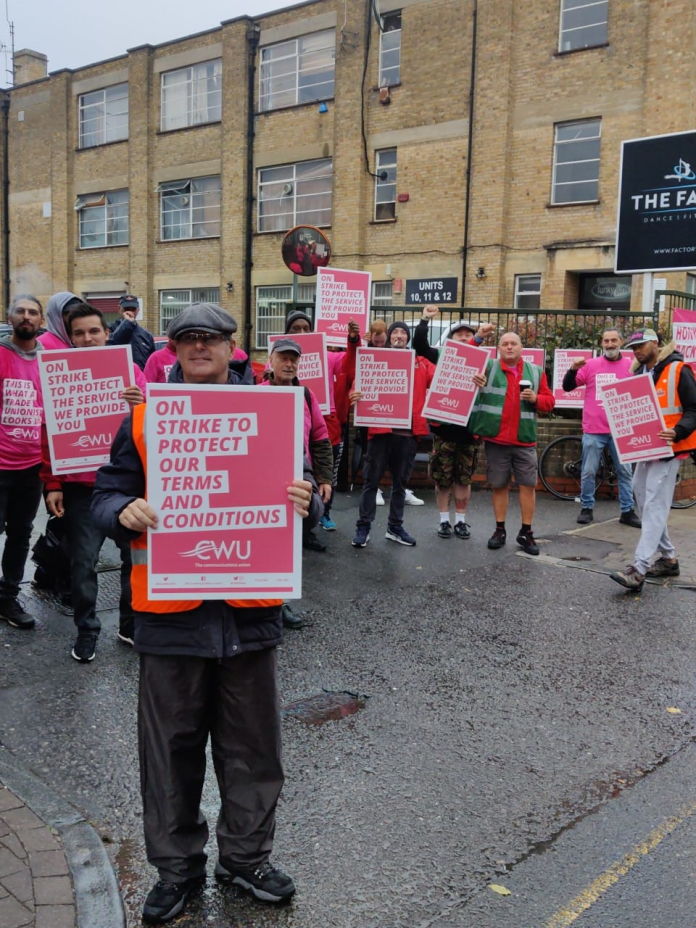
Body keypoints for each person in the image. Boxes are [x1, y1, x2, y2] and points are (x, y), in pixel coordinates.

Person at [91, 303, 321, 924]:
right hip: (169, 615)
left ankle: (245, 859)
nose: (199, 347)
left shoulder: (272, 414)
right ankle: (177, 869)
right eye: (187, 339)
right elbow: (106, 493)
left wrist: (308, 501)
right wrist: (122, 511)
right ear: (172, 348)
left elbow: (305, 499)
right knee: (171, 749)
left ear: (230, 346)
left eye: (210, 338)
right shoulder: (145, 417)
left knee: (252, 750)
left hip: (250, 614)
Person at [41, 304, 146, 661]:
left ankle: (129, 624)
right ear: (70, 338)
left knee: (135, 560)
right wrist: (52, 482)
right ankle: (87, 629)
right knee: (83, 563)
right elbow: (49, 433)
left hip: (128, 488)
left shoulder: (133, 373)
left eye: (94, 331)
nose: (87, 338)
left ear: (106, 333)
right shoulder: (59, 376)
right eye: (79, 333)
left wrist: (142, 405)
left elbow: (158, 427)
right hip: (81, 489)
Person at [610, 328, 696, 591]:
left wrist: (678, 431)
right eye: (634, 347)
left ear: (656, 344)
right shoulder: (639, 374)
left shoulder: (679, 370)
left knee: (655, 505)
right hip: (644, 450)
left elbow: (693, 409)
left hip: (669, 449)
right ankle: (669, 558)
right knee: (643, 500)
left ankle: (639, 568)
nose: (637, 350)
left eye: (641, 345)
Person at [261, 337, 333, 627]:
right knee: (267, 542)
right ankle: (264, 602)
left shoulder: (305, 395)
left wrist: (325, 477)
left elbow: (319, 436)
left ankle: (282, 603)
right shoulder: (258, 393)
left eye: (294, 359)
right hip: (265, 477)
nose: (289, 364)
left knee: (290, 544)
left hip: (298, 478)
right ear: (272, 360)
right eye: (283, 358)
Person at [468, 331, 555, 555]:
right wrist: (473, 378)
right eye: (505, 344)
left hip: (524, 440)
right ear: (498, 348)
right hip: (496, 439)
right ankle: (499, 530)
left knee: (528, 486)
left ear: (521, 348)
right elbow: (464, 359)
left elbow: (550, 402)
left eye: (513, 344)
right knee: (499, 486)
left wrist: (536, 399)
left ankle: (526, 532)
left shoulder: (536, 372)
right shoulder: (488, 367)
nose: (509, 347)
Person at [351, 321, 436, 548]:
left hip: (407, 435)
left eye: (403, 333)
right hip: (380, 431)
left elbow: (442, 380)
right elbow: (358, 382)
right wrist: (354, 394)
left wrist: (473, 378)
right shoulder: (377, 359)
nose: (399, 336)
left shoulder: (421, 363)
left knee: (400, 483)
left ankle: (395, 527)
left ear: (408, 339)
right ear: (389, 337)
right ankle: (363, 526)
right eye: (395, 332)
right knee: (371, 482)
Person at [413, 309, 494, 537]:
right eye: (459, 334)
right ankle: (443, 521)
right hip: (444, 430)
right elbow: (419, 343)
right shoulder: (440, 356)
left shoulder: (483, 361)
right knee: (443, 478)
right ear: (450, 339)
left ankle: (460, 520)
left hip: (469, 431)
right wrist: (425, 318)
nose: (464, 337)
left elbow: (488, 391)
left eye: (468, 334)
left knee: (463, 478)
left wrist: (482, 382)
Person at [284, 310, 359, 531]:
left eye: (306, 329)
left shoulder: (327, 356)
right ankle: (299, 521)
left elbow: (348, 364)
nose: (302, 332)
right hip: (291, 422)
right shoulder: (279, 357)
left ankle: (323, 512)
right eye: (296, 329)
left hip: (325, 423)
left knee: (326, 472)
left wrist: (352, 340)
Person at [562, 328, 641, 527]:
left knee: (625, 472)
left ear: (621, 342)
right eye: (606, 341)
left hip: (621, 429)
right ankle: (586, 508)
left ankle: (627, 511)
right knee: (588, 471)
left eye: (614, 340)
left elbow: (641, 393)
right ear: (602, 343)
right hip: (594, 429)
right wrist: (572, 369)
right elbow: (568, 387)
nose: (609, 344)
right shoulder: (591, 365)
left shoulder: (632, 366)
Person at [0, 295, 45, 630]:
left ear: (41, 319)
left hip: (32, 466)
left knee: (20, 534)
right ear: (9, 317)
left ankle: (7, 598)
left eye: (33, 312)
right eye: (21, 311)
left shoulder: (52, 362)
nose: (26, 317)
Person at [108, 294, 156, 370]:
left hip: (140, 378)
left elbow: (152, 363)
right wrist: (127, 323)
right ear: (119, 308)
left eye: (132, 309)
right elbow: (111, 344)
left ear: (137, 310)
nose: (129, 312)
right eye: (126, 309)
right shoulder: (110, 329)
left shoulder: (146, 335)